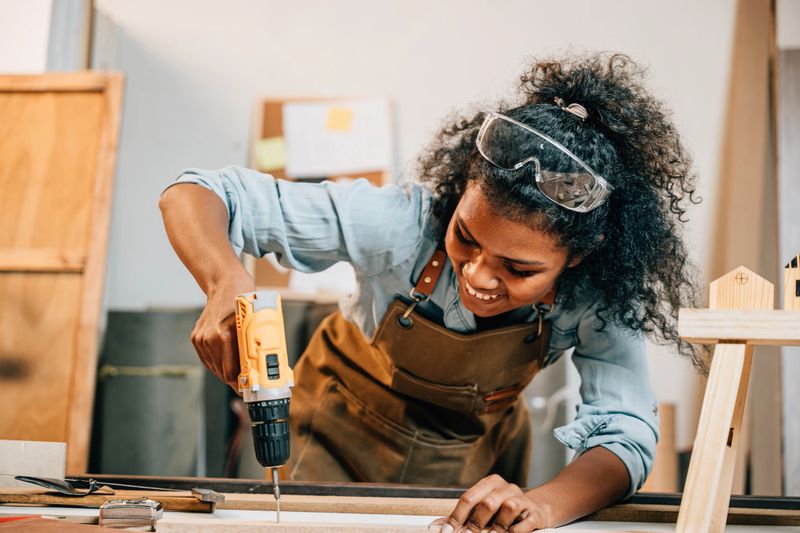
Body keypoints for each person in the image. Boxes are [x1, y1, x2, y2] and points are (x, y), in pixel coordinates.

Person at [160, 53, 700, 532]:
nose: (479, 276)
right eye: (465, 237)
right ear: (462, 191)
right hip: (333, 439)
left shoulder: (597, 295)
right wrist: (225, 280)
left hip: (471, 460)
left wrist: (544, 506)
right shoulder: (398, 225)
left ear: (577, 257)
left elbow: (625, 434)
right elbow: (199, 192)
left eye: (518, 269)